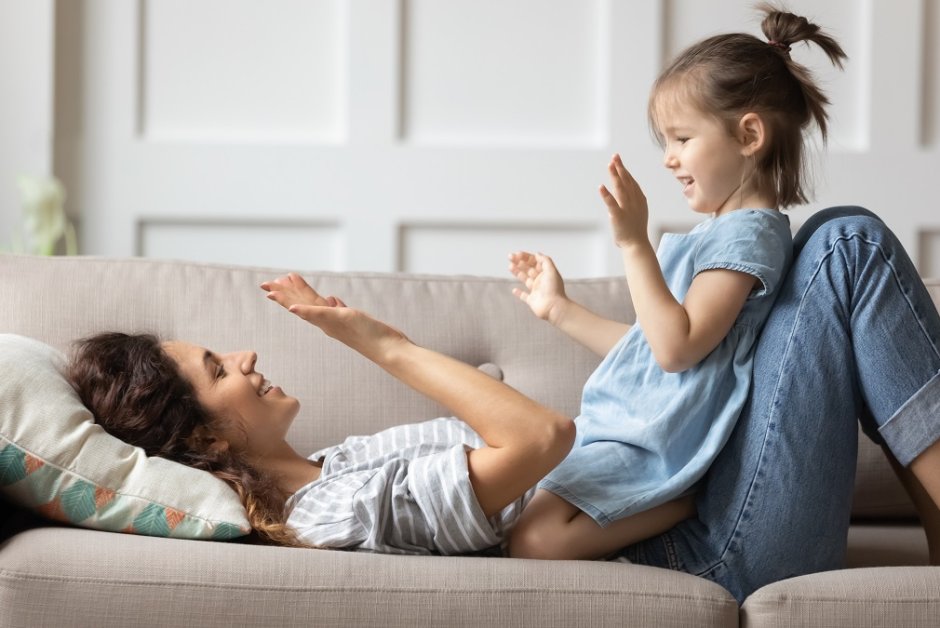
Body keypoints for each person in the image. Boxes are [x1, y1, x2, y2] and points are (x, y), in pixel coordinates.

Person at [504, 5, 844, 559]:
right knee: (514, 511)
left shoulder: (748, 237)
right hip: (635, 426)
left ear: (749, 134)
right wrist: (559, 309)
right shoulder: (721, 235)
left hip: (660, 444)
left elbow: (675, 349)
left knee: (534, 540)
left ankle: (690, 498)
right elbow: (649, 350)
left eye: (681, 138)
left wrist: (634, 242)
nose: (668, 159)